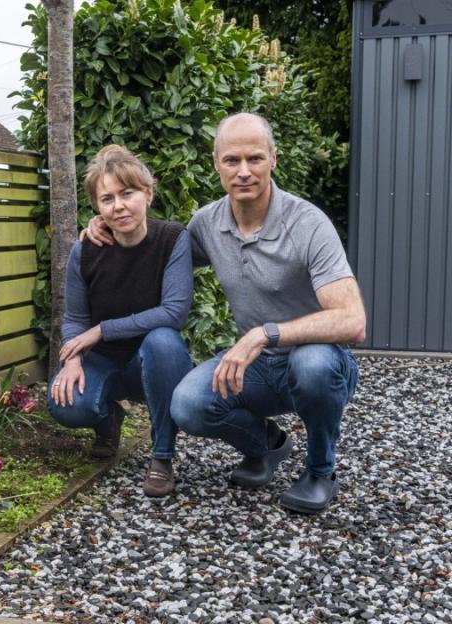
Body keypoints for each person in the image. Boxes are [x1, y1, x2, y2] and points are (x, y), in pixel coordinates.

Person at [84, 113, 365, 513]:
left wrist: (264, 333)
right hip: (259, 368)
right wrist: (108, 226)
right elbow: (158, 251)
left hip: (319, 358)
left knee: (314, 363)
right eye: (232, 160)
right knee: (188, 404)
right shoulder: (206, 223)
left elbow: (353, 321)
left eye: (255, 159)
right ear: (217, 164)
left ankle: (321, 471)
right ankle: (266, 446)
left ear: (274, 160)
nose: (244, 171)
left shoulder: (308, 224)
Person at [49, 144, 193, 497]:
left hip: (155, 362)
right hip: (104, 361)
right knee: (65, 402)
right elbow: (76, 318)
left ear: (148, 194)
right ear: (97, 207)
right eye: (107, 199)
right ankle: (108, 419)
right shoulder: (85, 250)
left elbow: (174, 311)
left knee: (162, 338)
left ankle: (162, 455)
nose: (118, 206)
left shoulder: (173, 239)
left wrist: (101, 330)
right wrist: (72, 359)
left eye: (127, 194)